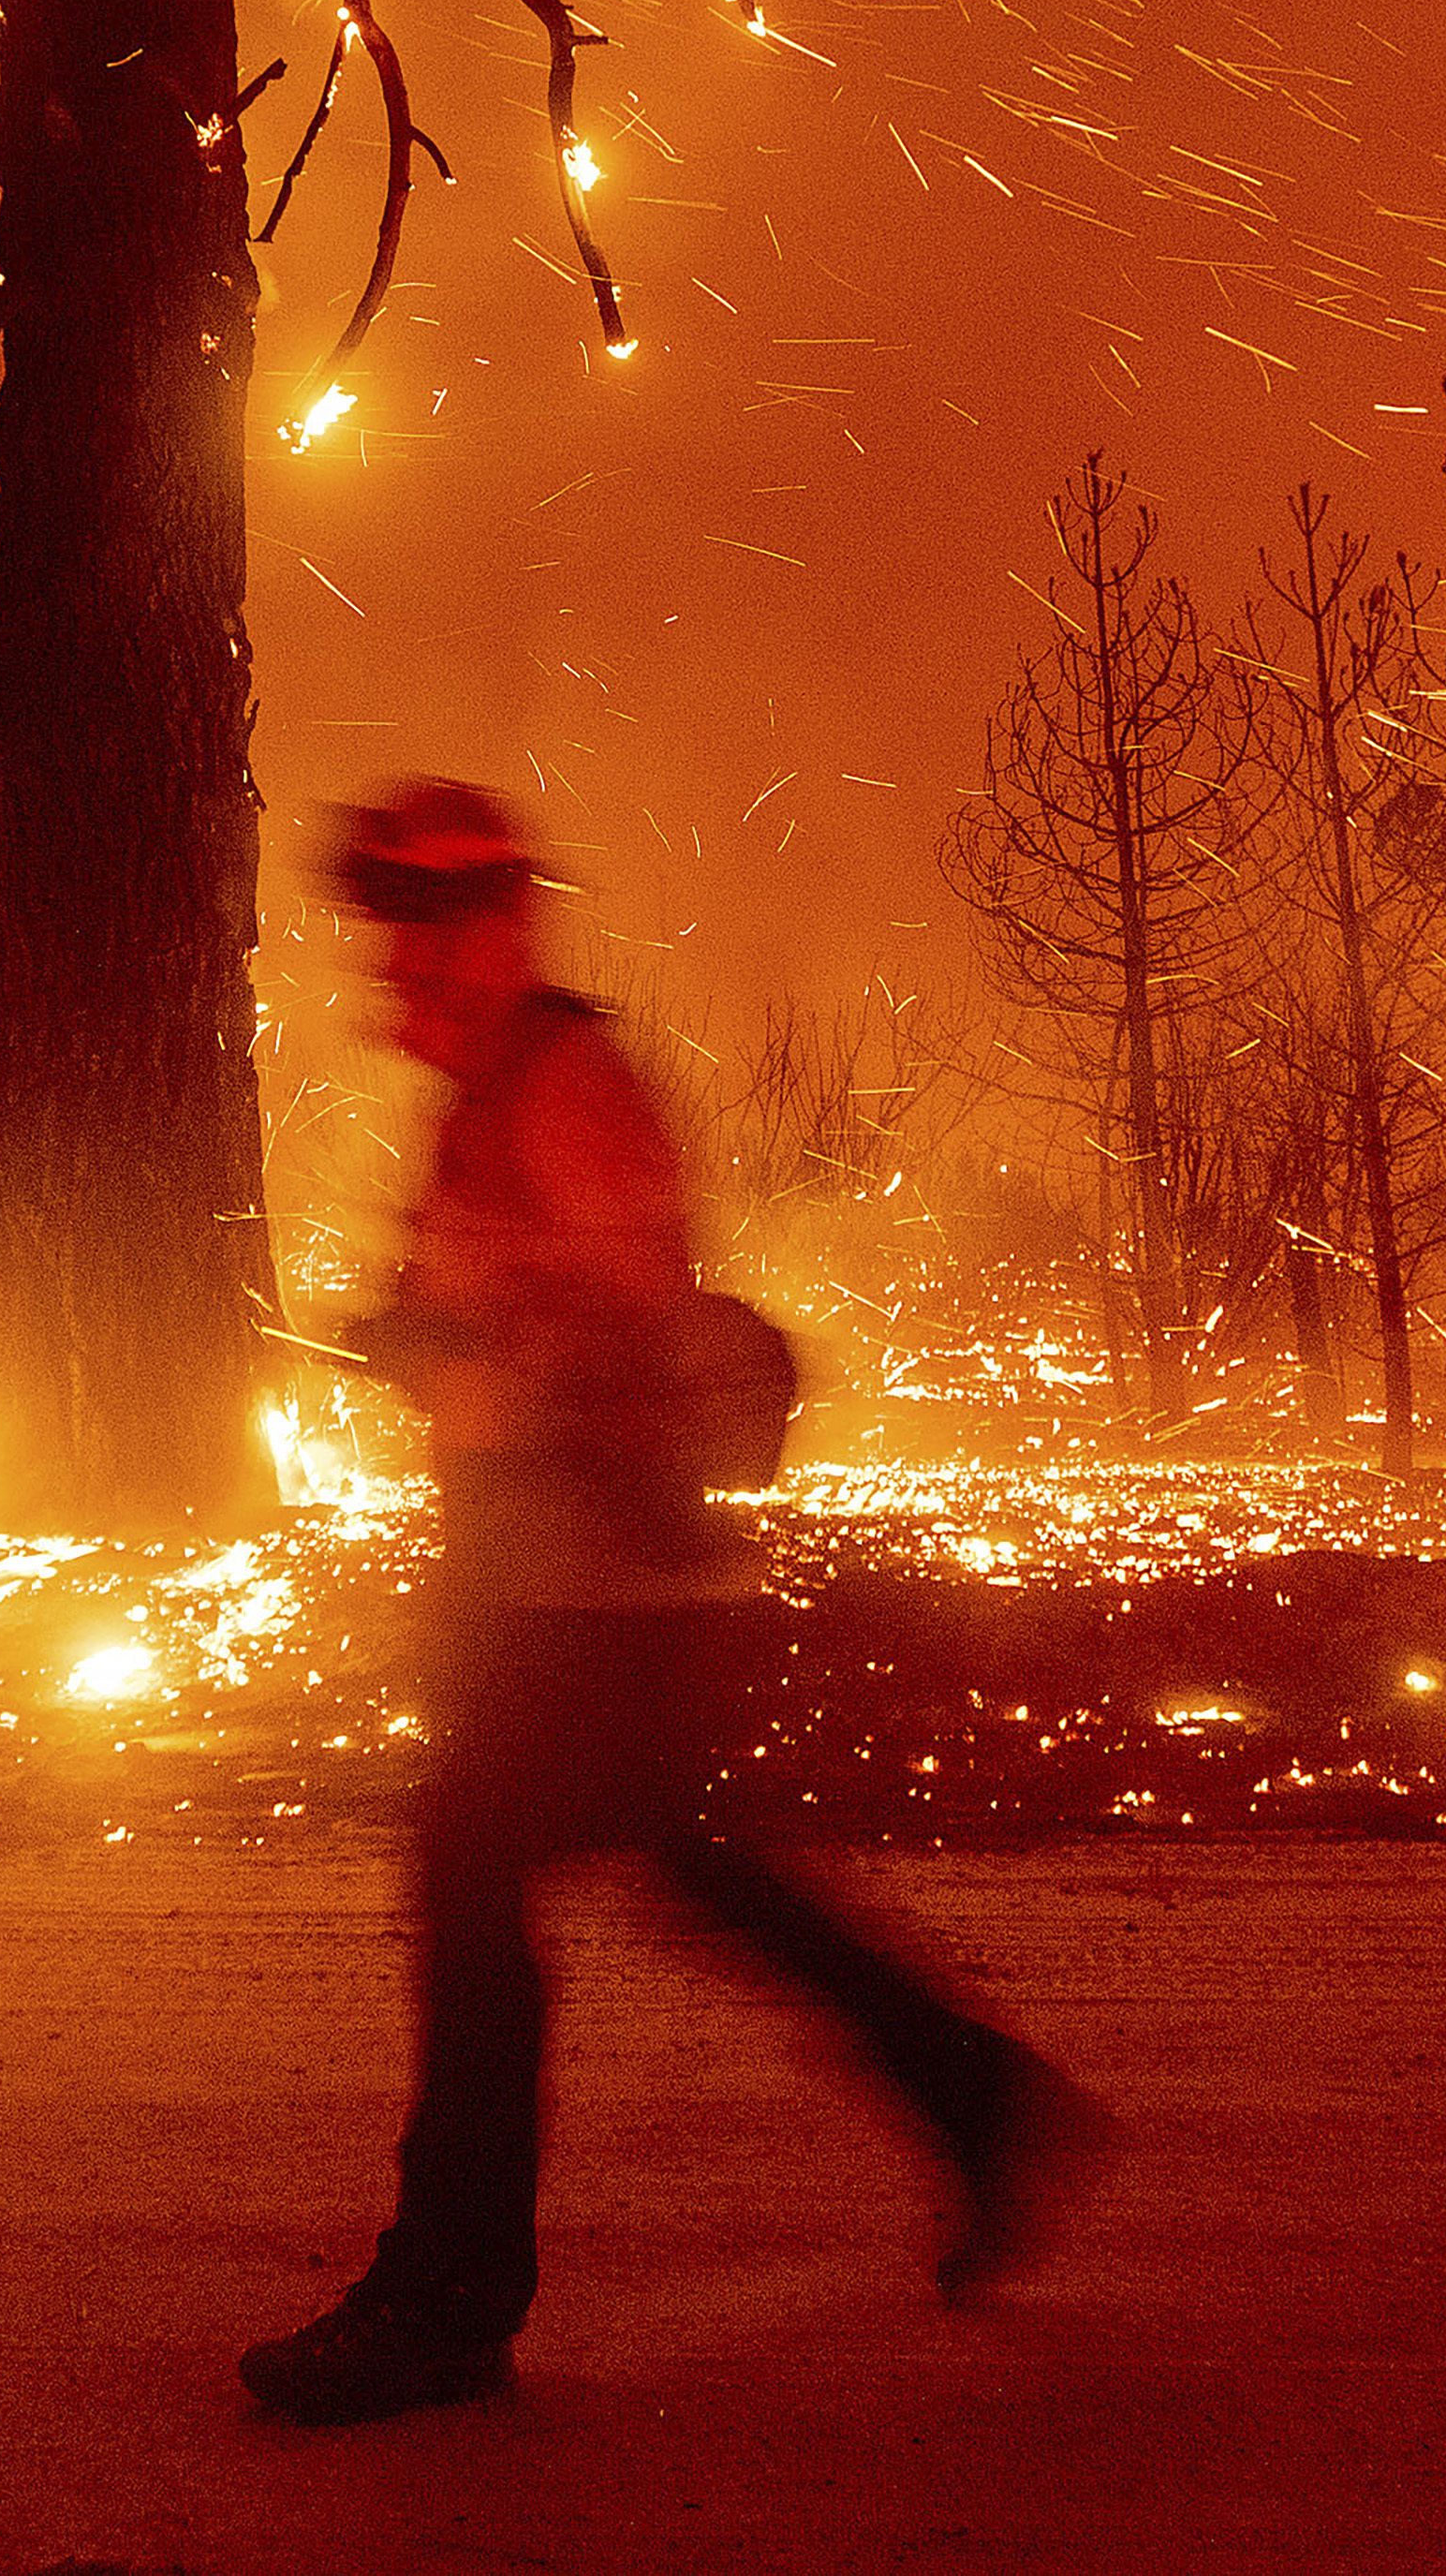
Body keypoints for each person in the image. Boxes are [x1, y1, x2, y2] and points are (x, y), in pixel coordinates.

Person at [239, 777, 1101, 2429]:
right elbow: (513, 1304)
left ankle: (448, 2296)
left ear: (497, 930)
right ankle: (975, 2092)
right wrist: (423, 1332)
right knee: (679, 1865)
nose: (395, 983)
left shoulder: (568, 1088)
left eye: (422, 944)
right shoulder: (490, 1098)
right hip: (563, 1574)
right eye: (385, 948)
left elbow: (633, 1330)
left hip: (595, 1589)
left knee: (476, 1876)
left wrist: (469, 1359)